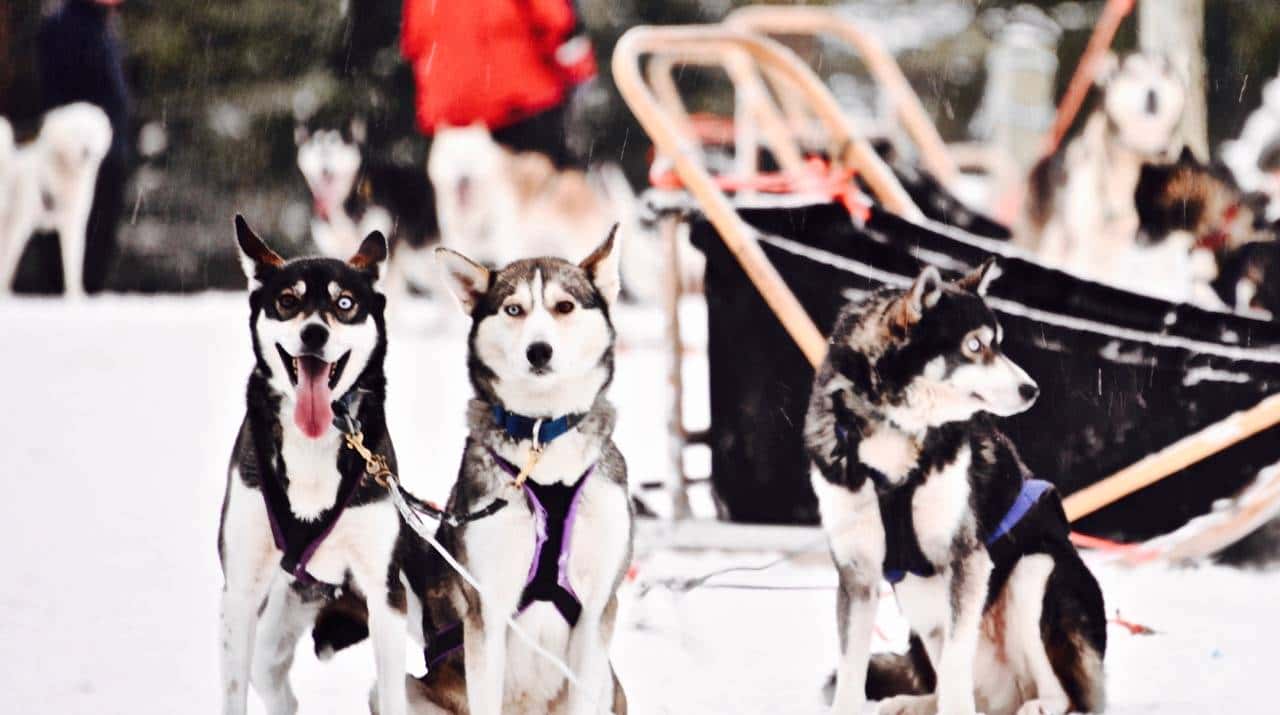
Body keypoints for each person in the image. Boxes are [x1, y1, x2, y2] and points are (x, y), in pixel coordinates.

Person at [400, 0, 596, 169]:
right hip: (520, 101)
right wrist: (580, 73)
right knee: (551, 193)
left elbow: (414, 40)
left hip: (455, 119)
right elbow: (554, 19)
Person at [37, 0, 130, 295]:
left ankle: (85, 293)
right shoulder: (65, 24)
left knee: (97, 244)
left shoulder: (102, 23)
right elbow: (61, 92)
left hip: (107, 151)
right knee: (72, 237)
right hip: (75, 154)